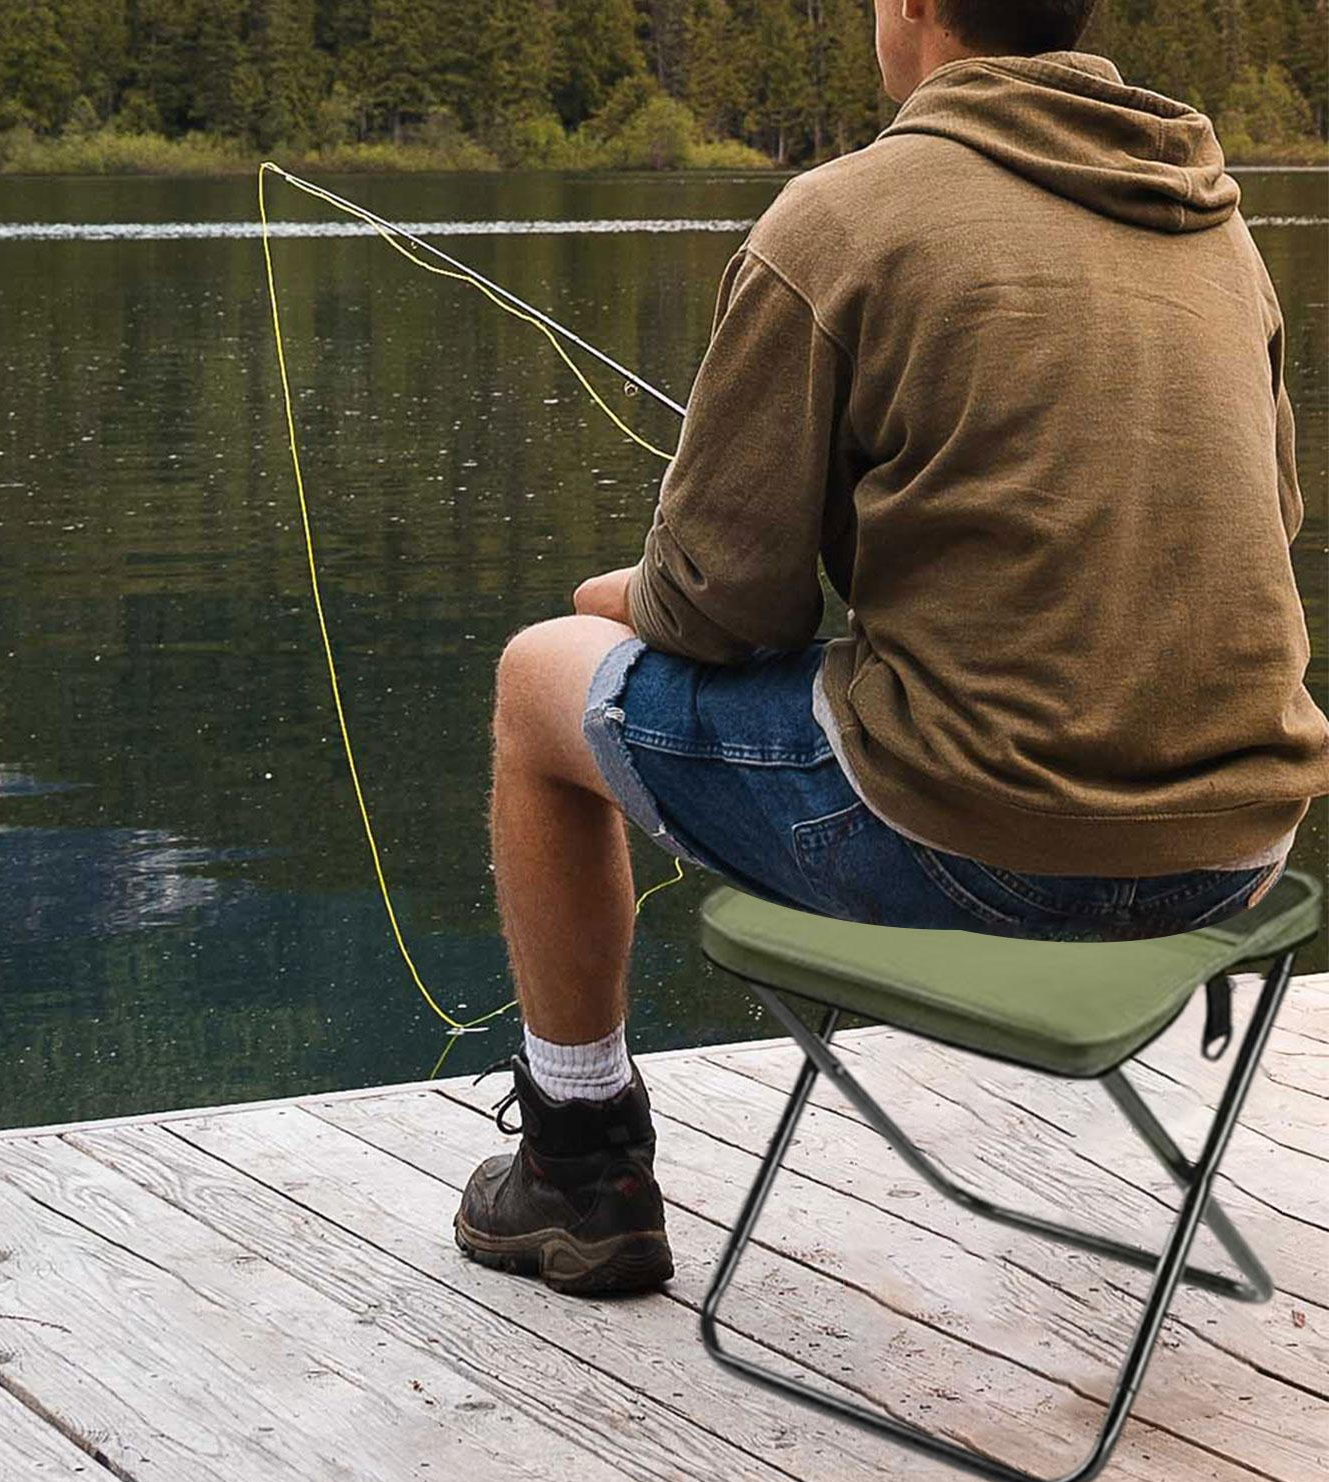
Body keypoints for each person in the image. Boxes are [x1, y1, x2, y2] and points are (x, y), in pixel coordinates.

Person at [452, 0, 1329, 1297]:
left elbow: (722, 610)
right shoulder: (1215, 221)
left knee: (540, 680)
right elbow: (1275, 519)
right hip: (1239, 856)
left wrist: (621, 591)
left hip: (993, 853)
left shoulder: (840, 221)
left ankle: (582, 1166)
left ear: (914, 7)